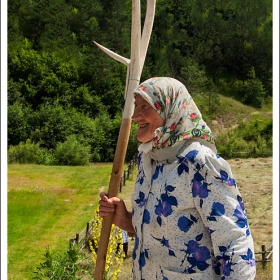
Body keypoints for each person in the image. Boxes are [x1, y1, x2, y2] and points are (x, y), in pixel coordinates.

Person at [99, 77, 256, 279]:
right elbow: (166, 233)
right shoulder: (148, 158)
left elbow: (236, 243)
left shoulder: (198, 162)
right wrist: (127, 220)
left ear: (170, 109)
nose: (135, 115)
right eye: (136, 106)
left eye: (145, 106)